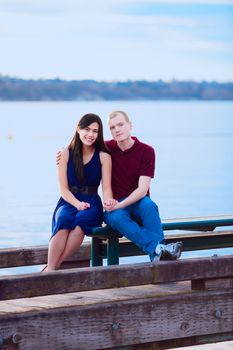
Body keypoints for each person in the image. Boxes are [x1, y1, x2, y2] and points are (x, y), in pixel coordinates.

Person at [103, 110, 182, 262]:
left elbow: (142, 190)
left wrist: (120, 205)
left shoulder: (146, 151)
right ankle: (159, 249)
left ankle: (157, 256)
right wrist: (64, 151)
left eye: (120, 124)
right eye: (112, 127)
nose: (117, 129)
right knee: (118, 218)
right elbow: (83, 144)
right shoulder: (106, 148)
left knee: (149, 206)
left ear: (130, 125)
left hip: (138, 201)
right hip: (115, 205)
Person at [43, 113, 115, 272]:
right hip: (68, 200)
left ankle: (50, 269)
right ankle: (51, 269)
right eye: (87, 129)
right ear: (78, 129)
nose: (90, 134)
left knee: (81, 223)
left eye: (95, 131)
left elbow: (107, 188)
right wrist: (76, 203)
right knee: (63, 220)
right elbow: (63, 189)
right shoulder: (65, 153)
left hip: (91, 202)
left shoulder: (104, 156)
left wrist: (108, 201)